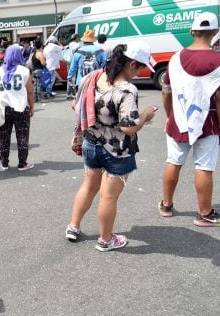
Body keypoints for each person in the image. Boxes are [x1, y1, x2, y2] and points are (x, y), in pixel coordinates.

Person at [65, 41, 158, 251]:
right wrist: (145, 115)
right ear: (132, 63)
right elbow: (128, 127)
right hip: (117, 151)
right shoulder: (126, 90)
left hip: (90, 143)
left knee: (88, 187)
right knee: (108, 196)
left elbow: (75, 104)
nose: (140, 71)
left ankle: (73, 226)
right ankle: (106, 240)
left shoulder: (93, 77)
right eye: (141, 66)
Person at [159, 11, 220, 227]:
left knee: (174, 161)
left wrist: (169, 116)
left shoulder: (174, 59)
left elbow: (166, 91)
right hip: (207, 123)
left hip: (178, 119)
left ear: (192, 31)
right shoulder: (219, 61)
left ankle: (166, 205)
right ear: (215, 32)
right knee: (204, 166)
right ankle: (204, 214)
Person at [0, 44, 34, 171]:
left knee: (3, 136)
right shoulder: (24, 71)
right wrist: (32, 107)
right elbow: (30, 92)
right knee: (22, 136)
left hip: (3, 108)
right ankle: (22, 163)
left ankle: (4, 162)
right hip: (20, 107)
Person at [66, 29, 107, 99]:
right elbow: (105, 66)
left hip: (81, 82)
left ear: (83, 40)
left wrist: (69, 78)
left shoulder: (78, 52)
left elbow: (72, 68)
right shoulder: (100, 51)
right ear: (93, 40)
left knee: (81, 102)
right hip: (96, 81)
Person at [30, 38, 46, 103]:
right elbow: (43, 63)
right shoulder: (40, 53)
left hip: (34, 70)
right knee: (39, 85)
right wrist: (46, 62)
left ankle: (35, 98)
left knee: (35, 85)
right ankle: (38, 98)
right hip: (39, 70)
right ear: (41, 46)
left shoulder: (33, 53)